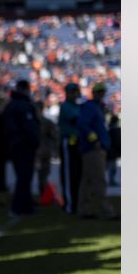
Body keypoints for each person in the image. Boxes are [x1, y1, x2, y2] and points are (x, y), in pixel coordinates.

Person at [1, 79, 41, 217]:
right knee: (24, 177)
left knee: (23, 176)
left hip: (15, 144)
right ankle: (18, 207)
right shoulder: (22, 106)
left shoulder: (12, 105)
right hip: (23, 145)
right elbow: (29, 127)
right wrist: (35, 141)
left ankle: (26, 206)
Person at [77, 82, 116, 219]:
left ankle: (84, 210)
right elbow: (82, 124)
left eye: (103, 92)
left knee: (87, 182)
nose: (101, 94)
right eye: (99, 92)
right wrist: (94, 140)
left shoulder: (98, 108)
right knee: (99, 180)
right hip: (93, 150)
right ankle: (107, 211)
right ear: (94, 93)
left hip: (95, 149)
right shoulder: (90, 107)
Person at [57, 82, 84, 214]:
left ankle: (76, 201)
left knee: (77, 173)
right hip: (69, 142)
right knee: (68, 174)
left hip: (78, 142)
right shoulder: (66, 106)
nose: (75, 94)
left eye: (76, 91)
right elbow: (77, 120)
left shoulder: (77, 106)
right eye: (72, 91)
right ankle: (69, 205)